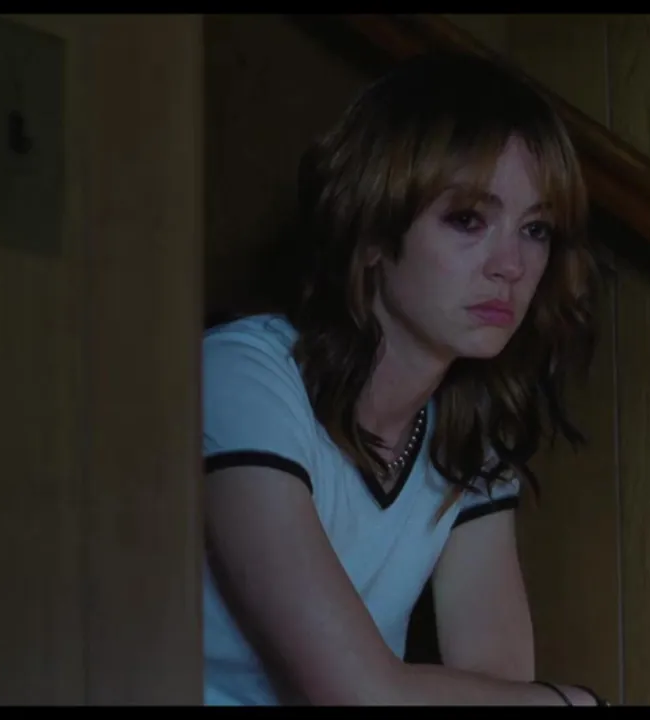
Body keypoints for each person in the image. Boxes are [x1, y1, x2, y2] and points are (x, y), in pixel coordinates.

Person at [202, 50, 605, 706]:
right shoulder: (244, 376)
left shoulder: (468, 436)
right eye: (468, 219)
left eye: (536, 229)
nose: (511, 264)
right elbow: (357, 692)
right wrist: (578, 704)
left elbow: (498, 684)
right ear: (371, 232)